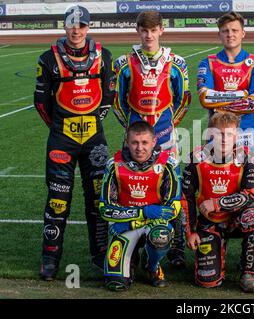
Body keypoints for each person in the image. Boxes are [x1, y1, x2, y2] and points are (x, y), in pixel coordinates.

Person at [34, 5, 116, 280]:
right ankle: (50, 257)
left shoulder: (104, 56)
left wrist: (92, 122)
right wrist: (61, 127)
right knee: (58, 201)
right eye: (71, 25)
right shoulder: (47, 59)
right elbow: (41, 103)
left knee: (98, 201)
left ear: (88, 27)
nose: (76, 30)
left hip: (95, 139)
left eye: (81, 25)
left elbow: (108, 96)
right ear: (64, 26)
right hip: (62, 140)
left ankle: (101, 255)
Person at [113, 11, 191, 268]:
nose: (148, 35)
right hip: (135, 142)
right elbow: (118, 102)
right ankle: (131, 243)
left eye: (153, 30)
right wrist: (135, 132)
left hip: (167, 139)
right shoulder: (124, 62)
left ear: (161, 31)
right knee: (131, 189)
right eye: (144, 30)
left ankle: (176, 246)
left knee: (174, 191)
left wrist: (165, 129)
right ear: (138, 31)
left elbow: (183, 101)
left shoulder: (177, 62)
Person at [182, 112, 254, 293]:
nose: (224, 139)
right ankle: (217, 249)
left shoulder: (248, 157)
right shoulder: (196, 158)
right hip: (210, 221)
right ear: (210, 134)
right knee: (207, 281)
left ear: (236, 135)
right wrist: (191, 232)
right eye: (219, 133)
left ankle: (250, 274)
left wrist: (217, 203)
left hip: (237, 218)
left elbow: (253, 195)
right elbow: (186, 198)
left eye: (229, 134)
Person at [99, 121, 180, 291]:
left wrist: (134, 220)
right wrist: (144, 212)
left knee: (161, 234)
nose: (139, 148)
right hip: (124, 226)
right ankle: (132, 259)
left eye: (144, 142)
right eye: (135, 142)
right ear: (127, 142)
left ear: (154, 142)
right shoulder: (113, 165)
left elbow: (172, 208)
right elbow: (105, 209)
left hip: (143, 224)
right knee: (116, 283)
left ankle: (151, 266)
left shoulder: (168, 164)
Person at [197, 11, 254, 166]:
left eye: (234, 30)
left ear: (243, 33)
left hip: (247, 132)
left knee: (253, 182)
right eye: (225, 31)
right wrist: (242, 95)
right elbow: (205, 98)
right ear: (219, 34)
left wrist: (220, 102)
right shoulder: (207, 63)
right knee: (216, 181)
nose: (230, 34)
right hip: (217, 134)